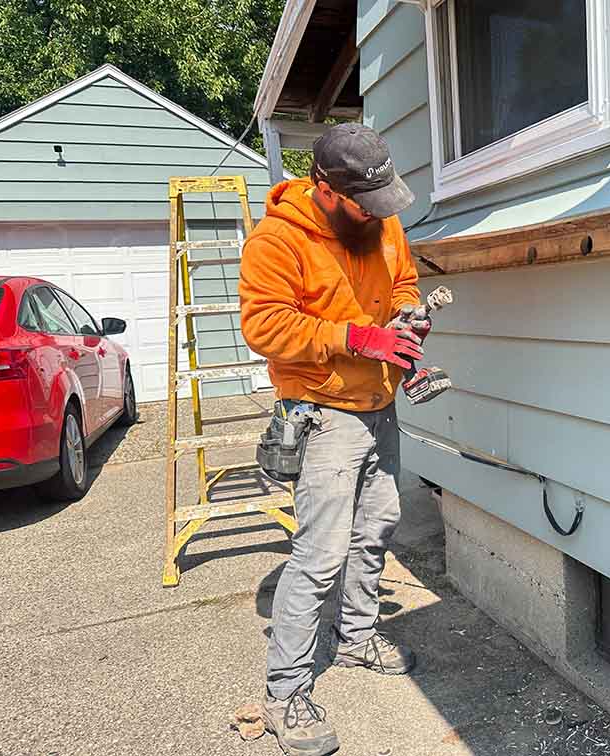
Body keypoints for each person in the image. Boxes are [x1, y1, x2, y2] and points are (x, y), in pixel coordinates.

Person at [239, 123, 432, 756]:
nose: (378, 215)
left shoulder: (381, 218)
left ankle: (355, 639)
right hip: (322, 411)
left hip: (380, 400)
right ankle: (285, 694)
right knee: (320, 554)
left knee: (377, 527)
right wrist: (353, 336)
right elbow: (264, 326)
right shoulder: (279, 239)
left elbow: (402, 280)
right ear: (325, 189)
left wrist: (406, 317)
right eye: (364, 204)